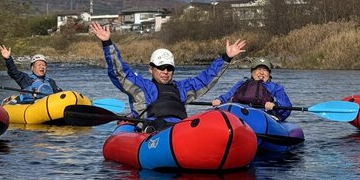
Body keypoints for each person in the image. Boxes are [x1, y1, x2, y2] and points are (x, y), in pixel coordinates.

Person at [90, 21, 246, 131]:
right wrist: (107, 43)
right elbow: (119, 72)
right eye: (161, 68)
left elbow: (206, 78)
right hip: (152, 131)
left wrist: (226, 58)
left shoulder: (182, 89)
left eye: (169, 68)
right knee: (158, 125)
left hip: (178, 131)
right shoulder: (141, 87)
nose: (166, 71)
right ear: (151, 69)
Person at [211, 57, 293, 121]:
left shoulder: (275, 87)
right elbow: (228, 95)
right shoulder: (242, 84)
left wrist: (275, 104)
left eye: (265, 70)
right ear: (252, 72)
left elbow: (286, 105)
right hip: (238, 115)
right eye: (258, 69)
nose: (261, 72)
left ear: (269, 73)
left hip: (263, 116)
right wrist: (219, 100)